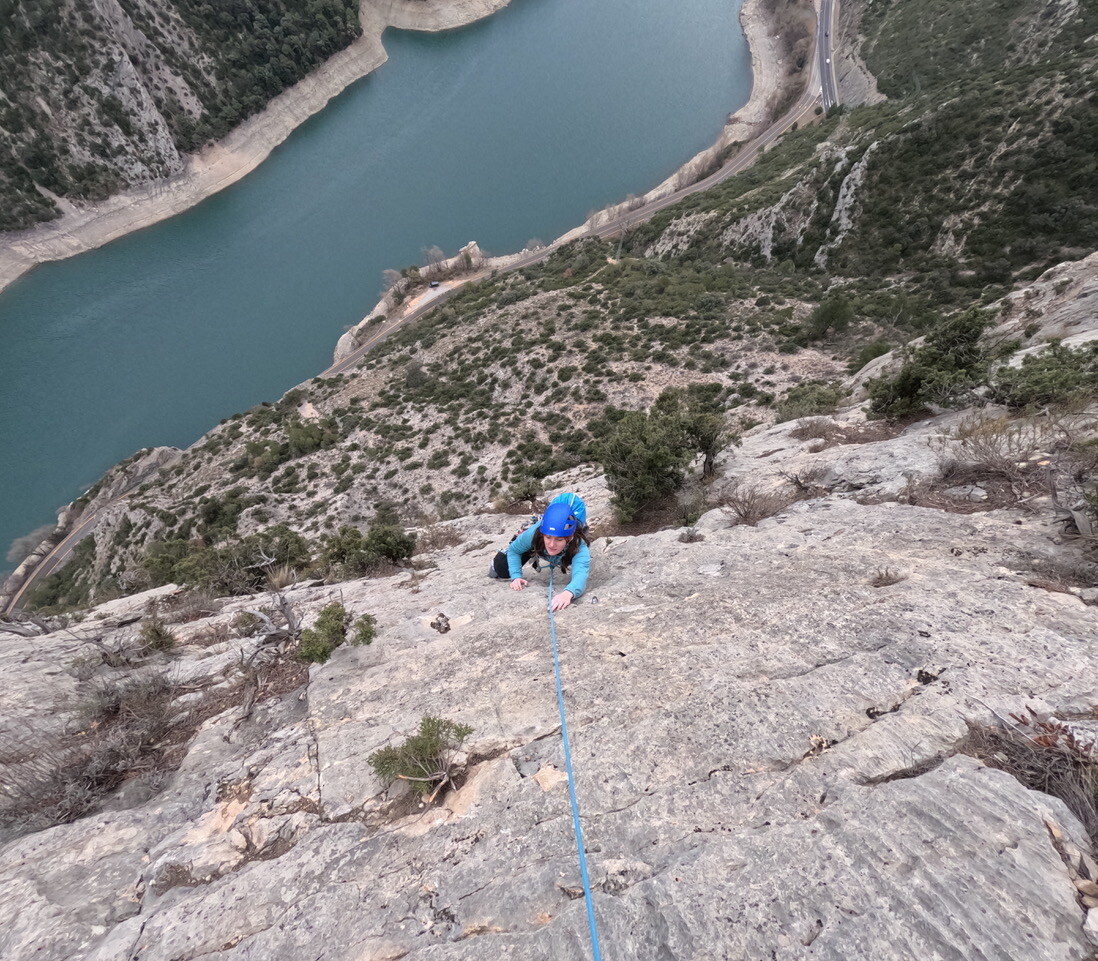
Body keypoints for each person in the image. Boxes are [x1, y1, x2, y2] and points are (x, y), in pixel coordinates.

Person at [489, 493, 590, 611]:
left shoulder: (579, 546)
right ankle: (525, 541)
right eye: (548, 537)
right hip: (536, 543)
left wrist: (568, 593)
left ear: (570, 537)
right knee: (501, 567)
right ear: (543, 533)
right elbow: (514, 550)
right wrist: (516, 576)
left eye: (559, 539)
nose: (552, 544)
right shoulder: (535, 533)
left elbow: (580, 574)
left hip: (565, 545)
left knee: (567, 556)